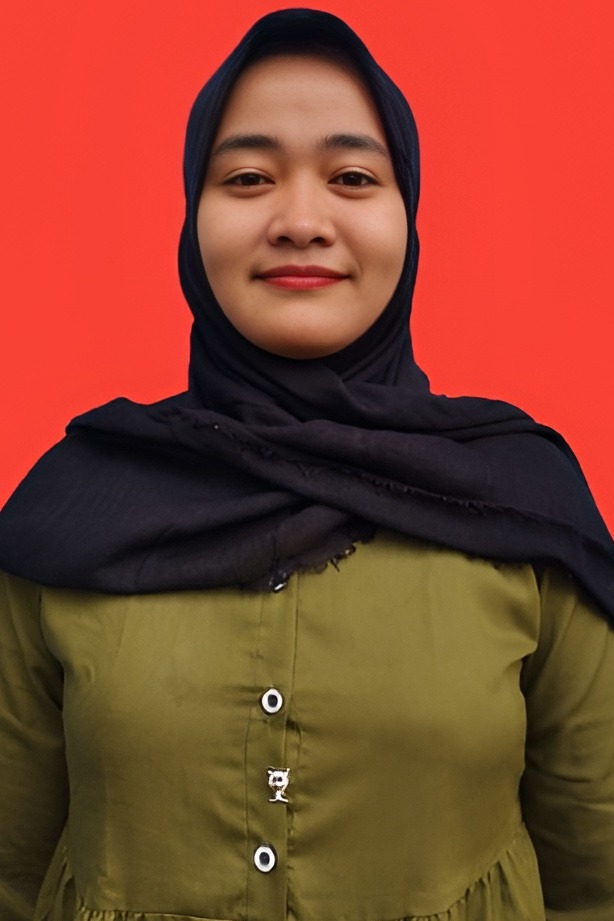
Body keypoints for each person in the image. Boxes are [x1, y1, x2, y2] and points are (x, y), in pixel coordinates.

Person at [0, 8, 613, 921]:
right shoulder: (69, 512)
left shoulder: (525, 507)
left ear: (408, 215)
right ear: (193, 218)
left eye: (353, 178)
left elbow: (597, 882)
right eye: (248, 178)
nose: (299, 221)